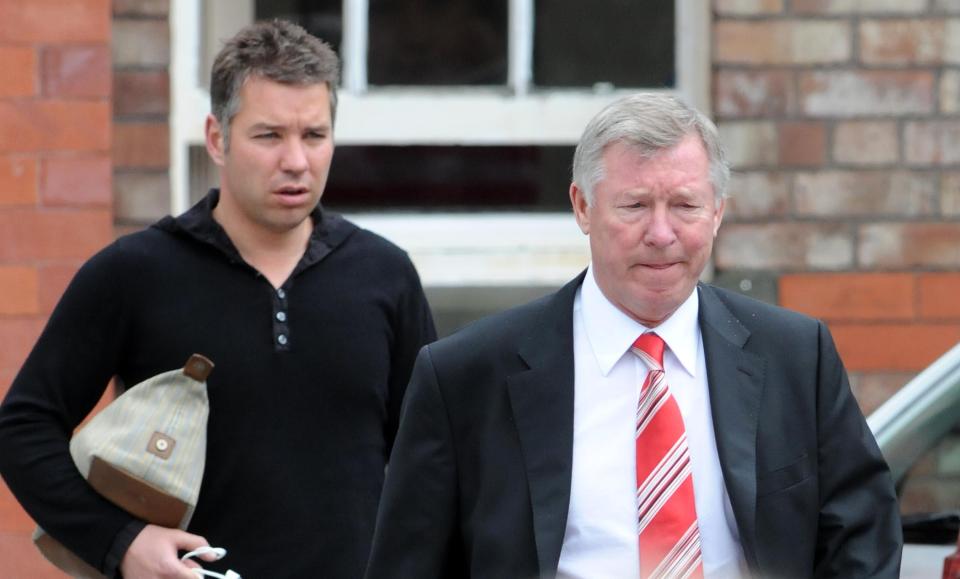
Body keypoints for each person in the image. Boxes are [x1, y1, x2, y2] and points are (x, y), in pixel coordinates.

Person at [364, 93, 902, 579]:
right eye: (635, 205)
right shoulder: (465, 376)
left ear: (717, 213)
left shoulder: (794, 356)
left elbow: (862, 538)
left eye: (686, 206)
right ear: (582, 207)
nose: (662, 234)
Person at [0, 20, 435, 579]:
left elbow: (432, 458)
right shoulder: (135, 273)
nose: (297, 161)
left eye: (314, 135)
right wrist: (121, 543)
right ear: (216, 137)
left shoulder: (384, 274)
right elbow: (22, 428)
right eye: (269, 135)